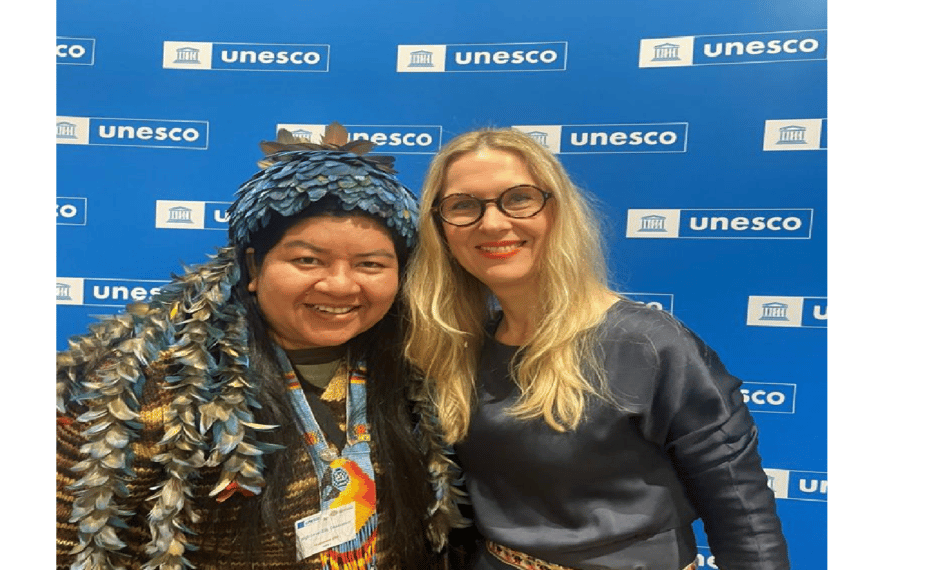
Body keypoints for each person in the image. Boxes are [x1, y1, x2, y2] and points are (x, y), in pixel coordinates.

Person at [56, 124, 467, 570]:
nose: (340, 285)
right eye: (307, 260)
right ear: (253, 266)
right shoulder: (152, 386)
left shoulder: (415, 373)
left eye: (370, 264)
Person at [403, 127, 790, 570]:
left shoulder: (649, 346)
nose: (492, 223)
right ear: (441, 229)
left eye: (519, 198)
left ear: (558, 211)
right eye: (463, 205)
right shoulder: (458, 349)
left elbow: (745, 520)